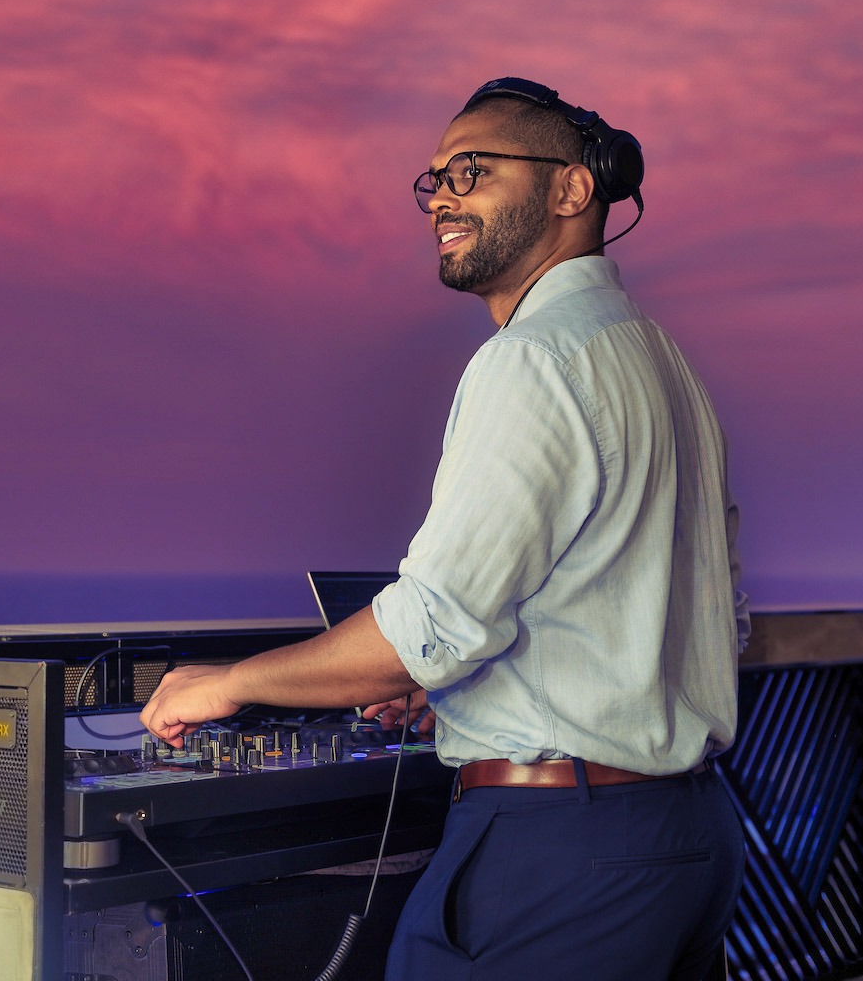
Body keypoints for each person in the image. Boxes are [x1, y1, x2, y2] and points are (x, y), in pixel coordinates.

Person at [140, 76, 748, 980]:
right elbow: (696, 616)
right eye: (434, 180)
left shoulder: (533, 361)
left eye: (474, 169)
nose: (444, 198)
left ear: (574, 189)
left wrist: (228, 684)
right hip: (685, 838)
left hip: (559, 848)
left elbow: (427, 628)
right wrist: (475, 691)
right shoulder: (659, 361)